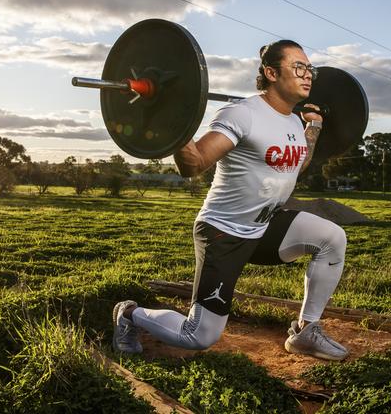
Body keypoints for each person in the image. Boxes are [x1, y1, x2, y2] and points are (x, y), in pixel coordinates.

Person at [112, 40, 348, 361]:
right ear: (271, 73)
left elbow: (299, 162)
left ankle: (306, 331)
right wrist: (170, 119)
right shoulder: (242, 114)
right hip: (223, 232)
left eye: (310, 69)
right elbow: (193, 165)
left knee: (332, 239)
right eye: (299, 68)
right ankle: (129, 314)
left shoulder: (293, 120)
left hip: (264, 226)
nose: (308, 75)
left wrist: (314, 126)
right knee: (198, 336)